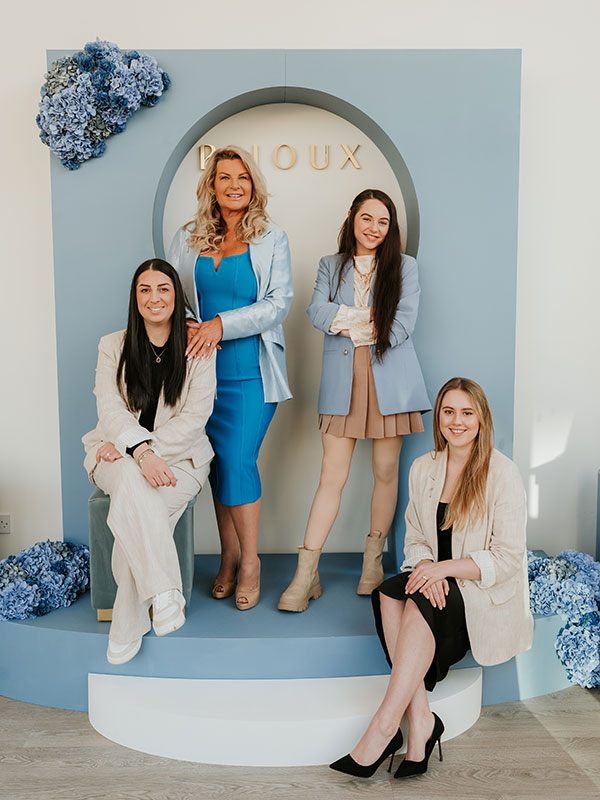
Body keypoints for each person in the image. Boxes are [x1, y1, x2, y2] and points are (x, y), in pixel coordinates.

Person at [329, 377, 534, 778]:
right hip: (435, 584)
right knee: (391, 592)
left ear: (481, 419)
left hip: (477, 593)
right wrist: (428, 568)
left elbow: (507, 559)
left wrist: (443, 569)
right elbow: (416, 539)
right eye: (448, 411)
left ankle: (385, 726)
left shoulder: (502, 473)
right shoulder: (424, 469)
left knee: (417, 596)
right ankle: (421, 721)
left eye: (466, 413)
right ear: (439, 416)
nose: (456, 422)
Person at [278, 189, 430, 612]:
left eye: (383, 222)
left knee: (385, 473)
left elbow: (400, 326)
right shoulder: (331, 265)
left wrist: (347, 321)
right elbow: (316, 313)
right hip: (341, 384)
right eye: (367, 219)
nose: (374, 229)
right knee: (332, 477)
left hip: (391, 383)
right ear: (352, 217)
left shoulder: (406, 267)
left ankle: (372, 566)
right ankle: (305, 575)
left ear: (391, 227)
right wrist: (366, 320)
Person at [168, 146, 293, 610]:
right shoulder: (187, 237)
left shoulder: (272, 238)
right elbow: (173, 294)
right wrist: (185, 323)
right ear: (212, 186)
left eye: (243, 176)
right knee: (218, 465)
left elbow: (279, 303)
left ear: (253, 184)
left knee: (238, 462)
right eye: (225, 177)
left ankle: (252, 562)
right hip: (201, 375)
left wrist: (221, 323)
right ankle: (228, 557)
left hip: (252, 374)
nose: (235, 185)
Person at [82, 259, 216, 664]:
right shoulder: (113, 345)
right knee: (132, 486)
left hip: (182, 461)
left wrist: (143, 450)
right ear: (134, 297)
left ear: (176, 295)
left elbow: (196, 418)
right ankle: (163, 593)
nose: (154, 298)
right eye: (145, 290)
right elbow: (109, 408)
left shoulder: (197, 348)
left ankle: (127, 622)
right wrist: (137, 452)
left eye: (163, 289)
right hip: (114, 454)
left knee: (137, 514)